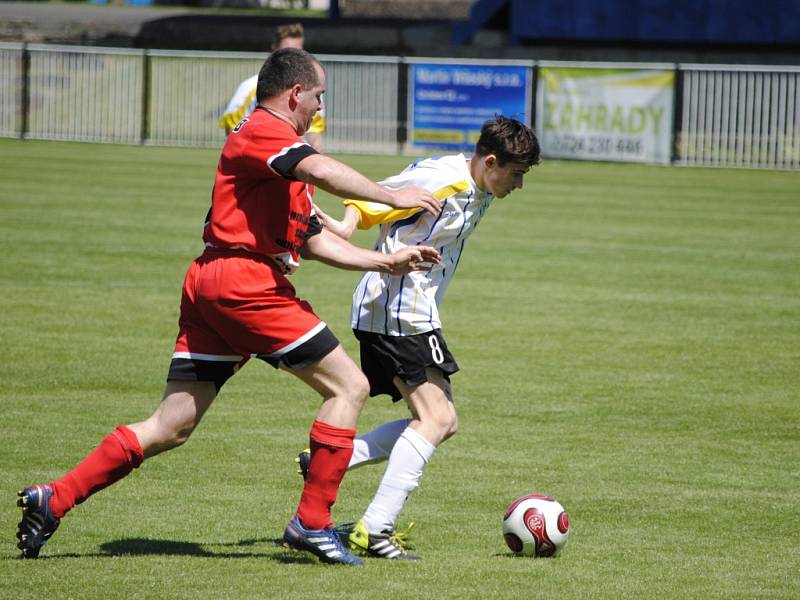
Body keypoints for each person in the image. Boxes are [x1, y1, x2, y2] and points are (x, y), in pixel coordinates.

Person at [15, 48, 442, 566]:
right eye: (318, 96)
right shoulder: (265, 129)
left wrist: (386, 262)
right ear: (294, 94)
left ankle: (53, 497)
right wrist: (393, 196)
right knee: (349, 387)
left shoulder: (280, 160)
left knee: (171, 425)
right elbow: (326, 172)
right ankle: (312, 522)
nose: (320, 107)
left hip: (215, 283)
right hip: (245, 285)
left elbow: (310, 241)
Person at [299, 116, 541, 559]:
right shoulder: (444, 179)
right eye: (517, 174)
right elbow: (384, 193)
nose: (519, 185)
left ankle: (335, 458)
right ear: (491, 162)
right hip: (398, 311)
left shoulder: (478, 185)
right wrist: (349, 223)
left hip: (408, 311)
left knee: (443, 421)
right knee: (436, 419)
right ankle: (374, 528)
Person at [219, 23, 326, 151]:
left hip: (294, 162)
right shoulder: (250, 86)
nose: (294, 58)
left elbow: (314, 134)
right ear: (274, 49)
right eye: (287, 51)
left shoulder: (311, 91)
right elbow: (233, 128)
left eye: (298, 52)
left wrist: (315, 159)